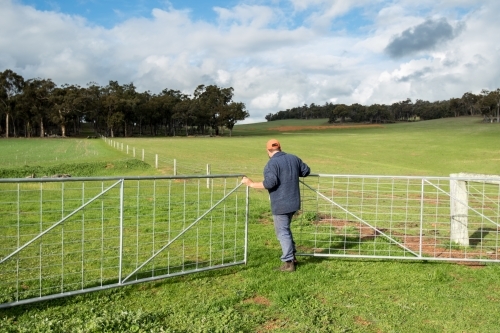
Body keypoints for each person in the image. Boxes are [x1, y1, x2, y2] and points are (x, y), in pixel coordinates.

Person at [241, 139, 310, 272]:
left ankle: (288, 262)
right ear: (280, 148)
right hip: (294, 202)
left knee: (282, 232)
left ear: (268, 150)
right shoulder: (293, 158)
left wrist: (251, 184)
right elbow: (306, 171)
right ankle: (293, 257)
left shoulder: (271, 164)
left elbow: (270, 183)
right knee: (286, 229)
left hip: (281, 204)